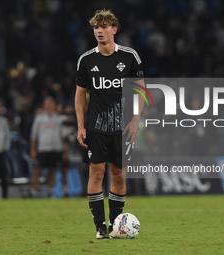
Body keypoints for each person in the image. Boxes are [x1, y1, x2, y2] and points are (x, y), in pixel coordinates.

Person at [75, 9, 145, 239]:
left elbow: (140, 90)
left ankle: (116, 226)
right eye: (96, 27)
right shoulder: (86, 60)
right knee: (96, 173)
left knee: (119, 175)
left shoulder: (129, 57)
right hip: (96, 126)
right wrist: (80, 126)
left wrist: (135, 120)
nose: (99, 31)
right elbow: (79, 96)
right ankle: (99, 228)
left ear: (114, 29)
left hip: (122, 127)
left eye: (104, 27)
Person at [30, 97, 68, 198]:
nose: (49, 106)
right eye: (47, 104)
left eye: (51, 104)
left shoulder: (59, 119)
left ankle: (50, 191)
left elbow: (63, 136)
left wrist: (64, 150)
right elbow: (33, 136)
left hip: (56, 148)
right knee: (38, 169)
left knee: (53, 170)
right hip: (43, 148)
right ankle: (33, 191)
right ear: (44, 106)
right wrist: (33, 150)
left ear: (54, 105)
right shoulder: (39, 118)